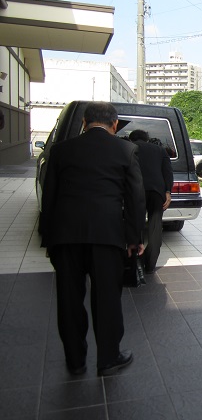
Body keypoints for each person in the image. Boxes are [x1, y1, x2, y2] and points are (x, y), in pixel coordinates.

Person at [40, 102, 146, 375]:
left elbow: (49, 195)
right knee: (107, 297)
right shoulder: (126, 150)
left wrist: (49, 238)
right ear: (114, 125)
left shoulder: (61, 150)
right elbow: (135, 198)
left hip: (65, 236)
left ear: (84, 123)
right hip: (107, 235)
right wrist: (135, 238)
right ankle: (108, 358)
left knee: (69, 299)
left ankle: (75, 361)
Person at [129, 129, 174, 274]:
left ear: (132, 139)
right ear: (147, 139)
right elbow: (167, 172)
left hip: (136, 191)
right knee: (155, 227)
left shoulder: (127, 148)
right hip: (157, 192)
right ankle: (150, 264)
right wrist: (168, 192)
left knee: (136, 224)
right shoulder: (160, 150)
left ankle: (136, 262)